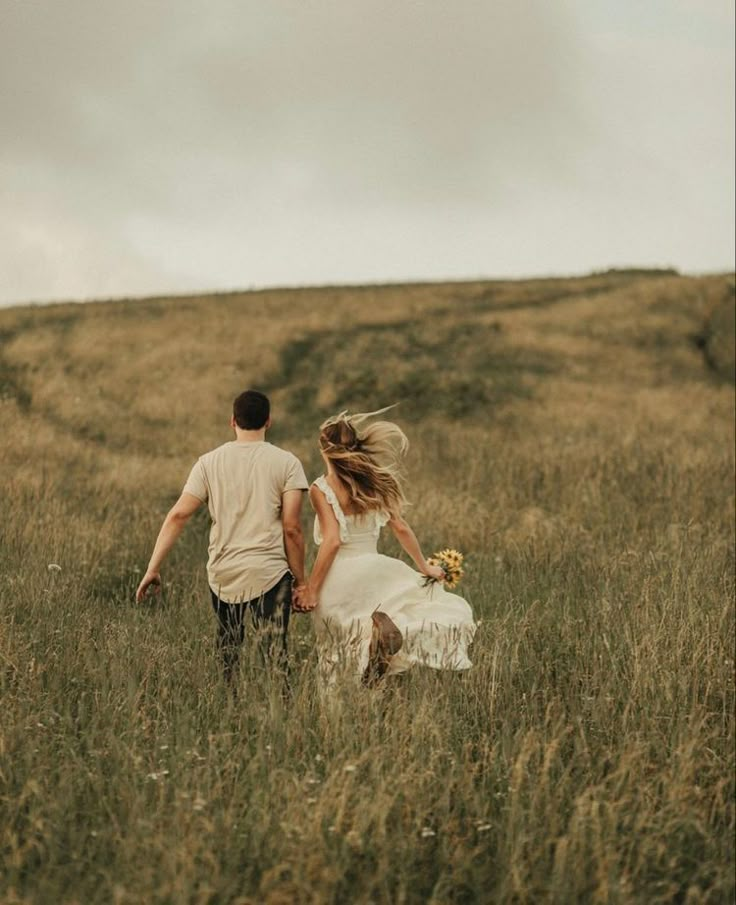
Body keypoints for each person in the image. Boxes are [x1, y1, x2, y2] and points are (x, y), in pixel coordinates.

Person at [135, 390, 309, 682]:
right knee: (276, 655)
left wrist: (153, 568)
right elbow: (292, 527)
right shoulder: (287, 463)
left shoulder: (208, 463)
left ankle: (230, 708)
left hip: (223, 574)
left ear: (232, 421)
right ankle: (283, 716)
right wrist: (302, 581)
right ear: (269, 421)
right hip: (270, 573)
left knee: (228, 650)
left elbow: (178, 515)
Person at [294, 407, 476, 685]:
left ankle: (342, 711)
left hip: (340, 575)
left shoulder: (322, 488)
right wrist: (424, 565)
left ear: (323, 450)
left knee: (335, 647)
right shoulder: (374, 483)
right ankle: (378, 656)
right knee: (397, 619)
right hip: (376, 570)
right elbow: (401, 527)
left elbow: (332, 542)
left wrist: (311, 588)